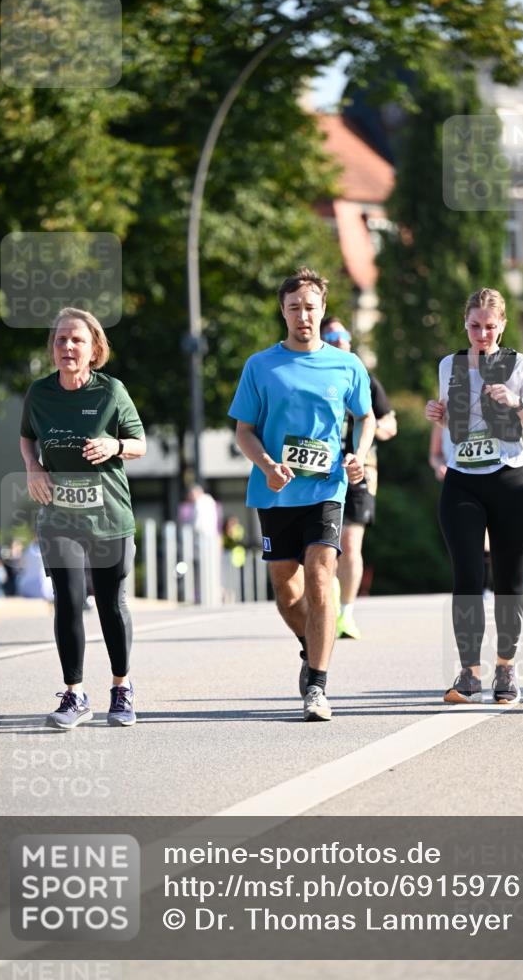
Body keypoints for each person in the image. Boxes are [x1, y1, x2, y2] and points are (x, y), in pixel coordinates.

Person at [229, 267, 375, 721]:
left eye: (310, 307)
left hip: (326, 489)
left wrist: (358, 456)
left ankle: (317, 686)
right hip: (274, 494)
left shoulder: (346, 365)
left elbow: (365, 418)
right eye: (294, 308)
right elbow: (244, 431)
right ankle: (312, 646)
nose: (303, 316)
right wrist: (267, 465)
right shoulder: (261, 365)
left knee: (319, 578)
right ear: (284, 312)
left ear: (323, 310)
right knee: (286, 594)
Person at [20, 307, 146, 729]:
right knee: (69, 602)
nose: (68, 347)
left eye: (77, 340)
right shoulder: (39, 394)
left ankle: (122, 688)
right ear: (52, 349)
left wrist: (114, 446)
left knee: (111, 604)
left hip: (109, 517)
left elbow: (139, 443)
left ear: (95, 349)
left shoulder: (111, 392)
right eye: (60, 340)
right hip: (60, 518)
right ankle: (74, 695)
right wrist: (33, 467)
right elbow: (26, 436)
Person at [425, 287, 523, 705]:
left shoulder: (520, 365)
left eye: (490, 326)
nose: (482, 334)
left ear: (502, 326)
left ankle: (505, 669)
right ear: (465, 324)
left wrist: (517, 403)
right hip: (463, 479)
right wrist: (439, 416)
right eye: (475, 326)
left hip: (511, 479)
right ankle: (468, 674)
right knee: (466, 577)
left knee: (509, 580)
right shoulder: (450, 365)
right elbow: (454, 422)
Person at [320, 316, 397, 638]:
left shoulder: (365, 378)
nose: (340, 341)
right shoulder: (312, 377)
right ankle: (329, 599)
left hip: (362, 470)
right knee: (325, 544)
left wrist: (369, 427)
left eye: (344, 336)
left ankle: (345, 615)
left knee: (351, 543)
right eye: (333, 336)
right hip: (320, 469)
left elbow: (391, 424)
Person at [429, 426, 492, 596]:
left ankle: (484, 586)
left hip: (488, 479)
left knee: (486, 538)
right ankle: (470, 588)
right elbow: (434, 455)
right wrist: (439, 466)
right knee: (465, 538)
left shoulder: (485, 411)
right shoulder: (442, 415)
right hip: (457, 482)